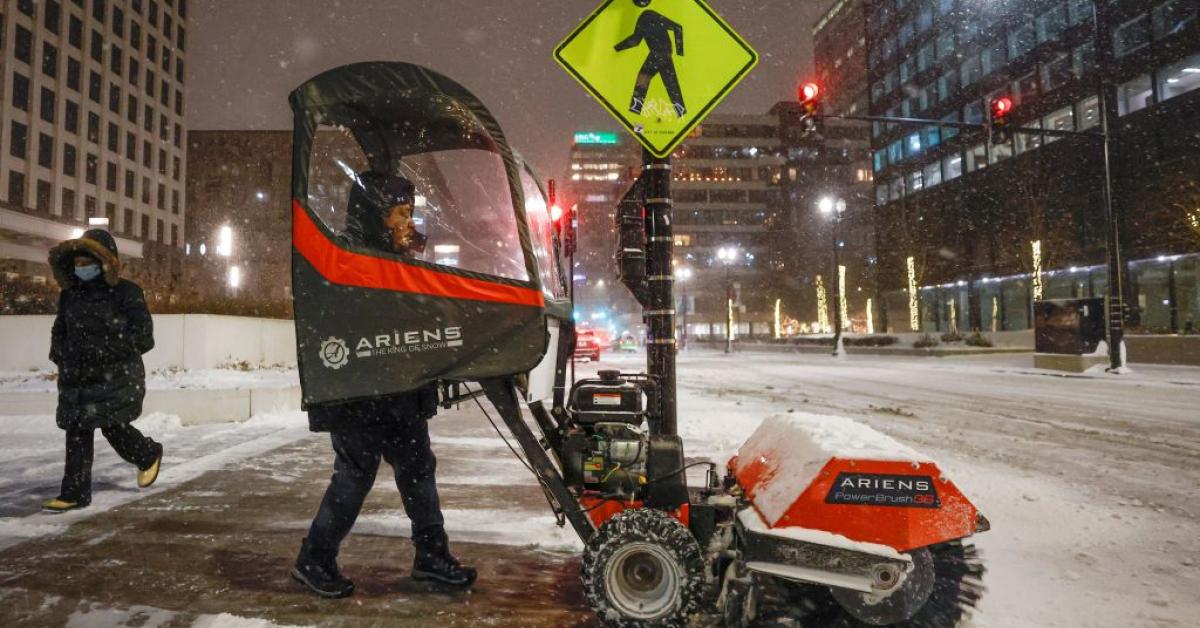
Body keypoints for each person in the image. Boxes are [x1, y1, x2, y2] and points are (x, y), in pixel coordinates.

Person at [291, 171, 474, 599]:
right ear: (377, 214)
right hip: (361, 396)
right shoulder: (347, 260)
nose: (408, 221)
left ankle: (432, 556)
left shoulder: (399, 258)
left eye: (411, 212)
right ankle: (314, 558)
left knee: (418, 470)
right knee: (355, 474)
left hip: (399, 393)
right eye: (400, 212)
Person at [44, 229, 162, 513]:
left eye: (88, 262)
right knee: (76, 431)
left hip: (117, 376)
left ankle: (148, 454)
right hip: (76, 377)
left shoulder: (126, 293)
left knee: (112, 426)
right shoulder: (69, 295)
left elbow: (143, 336)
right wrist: (61, 355)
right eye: (78, 263)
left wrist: (105, 353)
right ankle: (74, 493)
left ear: (106, 261)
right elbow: (60, 331)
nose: (82, 268)